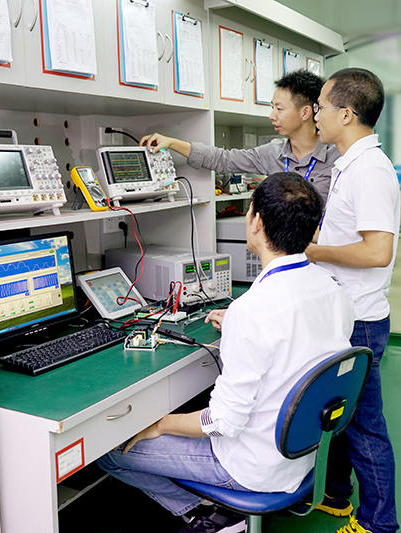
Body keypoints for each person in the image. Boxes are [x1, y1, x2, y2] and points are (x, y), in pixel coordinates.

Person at [97, 173, 354, 533]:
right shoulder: (334, 289)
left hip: (251, 468)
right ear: (313, 230)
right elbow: (299, 340)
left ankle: (211, 516)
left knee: (109, 451)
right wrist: (238, 324)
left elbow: (221, 423)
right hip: (302, 455)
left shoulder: (254, 311)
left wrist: (160, 424)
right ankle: (214, 513)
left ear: (256, 222)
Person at [305, 68, 401, 533]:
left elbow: (377, 251)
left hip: (360, 320)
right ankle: (337, 496)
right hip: (345, 313)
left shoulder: (370, 171)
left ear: (346, 113)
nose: (315, 115)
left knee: (365, 426)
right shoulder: (348, 164)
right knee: (341, 415)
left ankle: (379, 524)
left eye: (321, 106)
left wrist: (313, 251)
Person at [140, 70, 338, 203]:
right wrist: (172, 143)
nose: (272, 116)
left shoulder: (337, 156)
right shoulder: (273, 152)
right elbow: (223, 159)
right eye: (272, 108)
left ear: (305, 113)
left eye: (279, 109)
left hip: (325, 251)